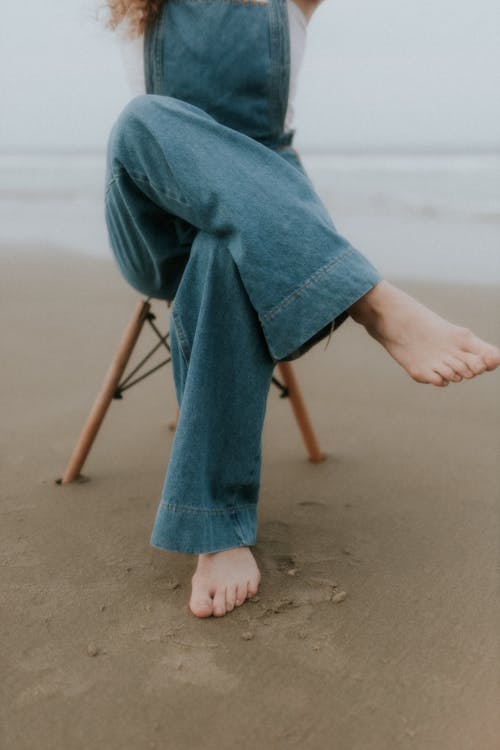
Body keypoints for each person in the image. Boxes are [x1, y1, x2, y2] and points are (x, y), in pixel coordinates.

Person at [103, 0, 500, 619]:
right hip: (159, 228)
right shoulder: (138, 7)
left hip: (266, 234)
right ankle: (370, 300)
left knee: (224, 252)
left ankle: (219, 532)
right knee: (139, 120)